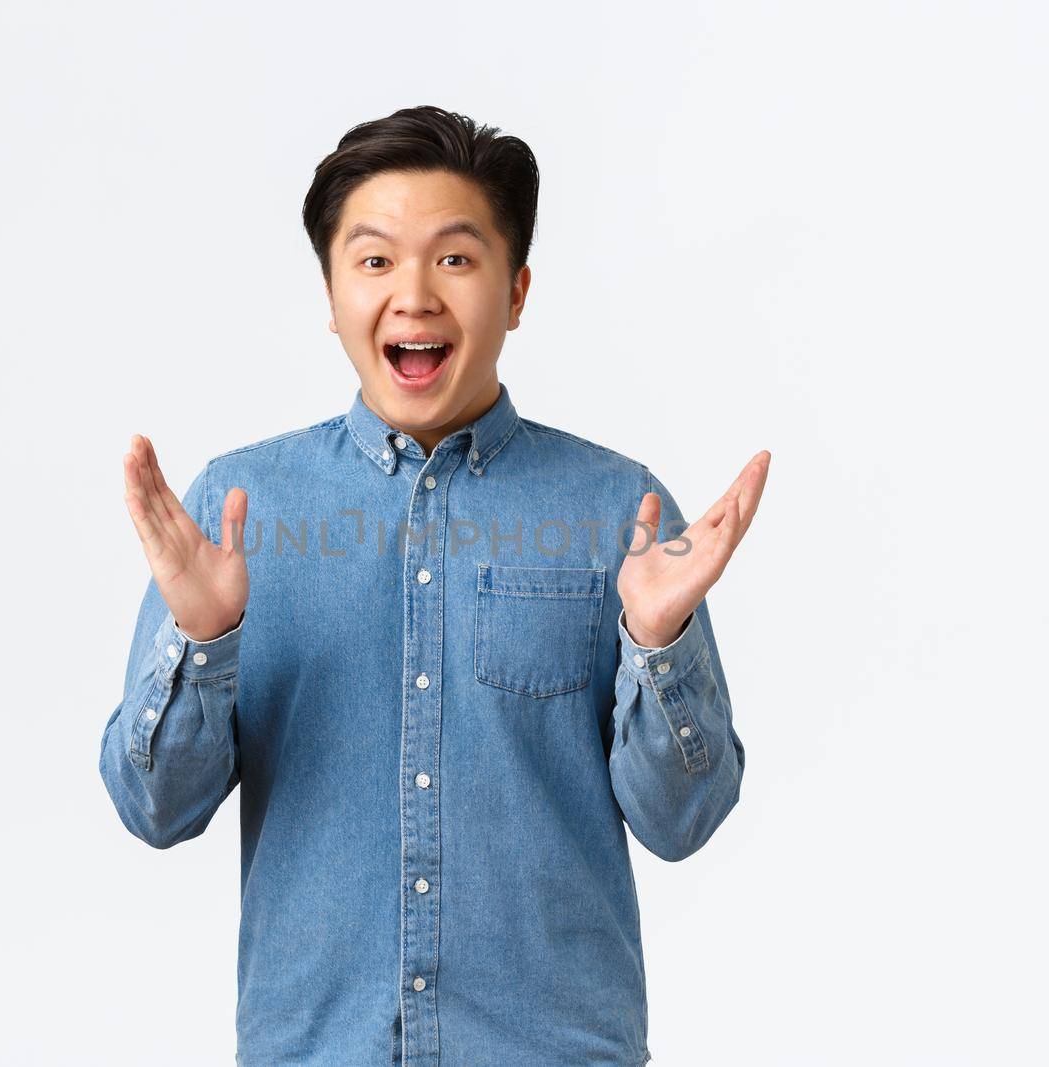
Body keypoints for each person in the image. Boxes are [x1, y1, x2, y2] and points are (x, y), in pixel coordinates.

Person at [99, 104, 770, 1066]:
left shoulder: (624, 514)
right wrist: (203, 641)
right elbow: (155, 809)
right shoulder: (242, 508)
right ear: (331, 295)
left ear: (518, 289)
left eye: (455, 258)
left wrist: (656, 646)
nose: (413, 295)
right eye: (374, 260)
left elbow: (685, 821)